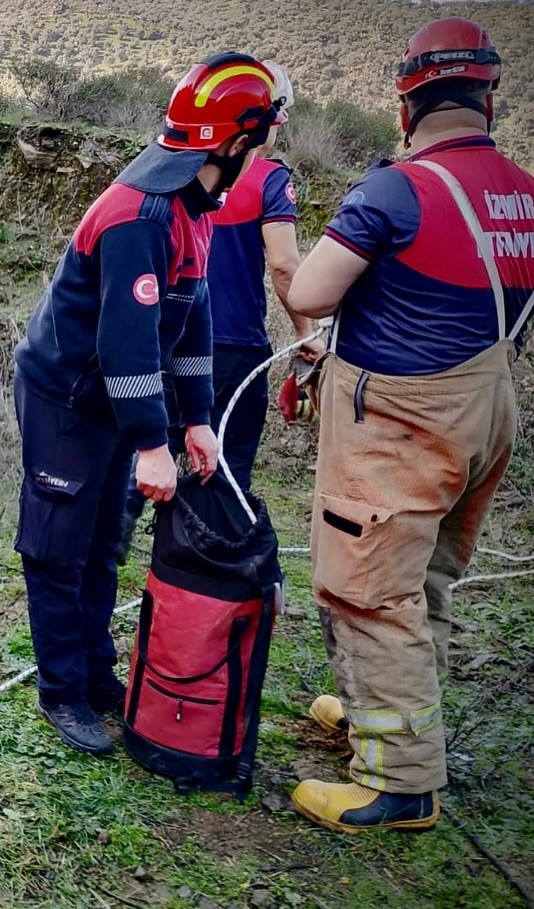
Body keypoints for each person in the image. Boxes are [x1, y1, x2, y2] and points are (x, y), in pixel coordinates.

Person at [286, 17, 533, 833]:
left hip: (402, 421)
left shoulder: (397, 188)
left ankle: (399, 784)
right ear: (489, 97)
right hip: (487, 409)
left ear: (406, 103)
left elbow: (310, 294)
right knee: (422, 576)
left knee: (367, 591)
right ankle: (379, 714)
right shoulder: (523, 192)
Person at [13, 53, 284, 755]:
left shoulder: (197, 204)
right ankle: (61, 692)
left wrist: (194, 418)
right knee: (57, 549)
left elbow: (191, 319)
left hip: (112, 397)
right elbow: (126, 343)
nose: (267, 147)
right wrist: (151, 442)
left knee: (105, 543)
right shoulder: (141, 214)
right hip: (67, 396)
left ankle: (96, 673)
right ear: (233, 140)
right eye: (264, 135)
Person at [118, 62, 324, 560]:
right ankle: (200, 582)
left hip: (172, 342)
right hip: (237, 348)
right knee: (225, 470)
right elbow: (283, 265)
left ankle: (107, 552)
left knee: (145, 459)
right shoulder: (271, 180)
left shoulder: (173, 174)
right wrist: (308, 336)